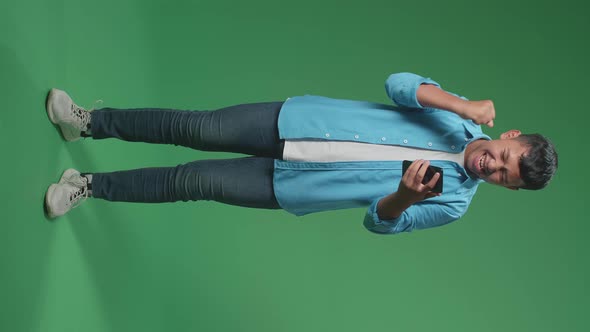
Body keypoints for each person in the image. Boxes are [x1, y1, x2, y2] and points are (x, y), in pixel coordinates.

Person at [44, 72, 558, 234]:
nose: (492, 168)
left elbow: (380, 225)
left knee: (190, 181)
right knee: (192, 126)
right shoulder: (456, 114)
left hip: (292, 186)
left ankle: (88, 187)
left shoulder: (454, 204)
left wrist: (401, 198)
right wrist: (460, 102)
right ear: (508, 136)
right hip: (295, 120)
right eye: (504, 158)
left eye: (503, 180)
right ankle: (87, 124)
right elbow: (399, 84)